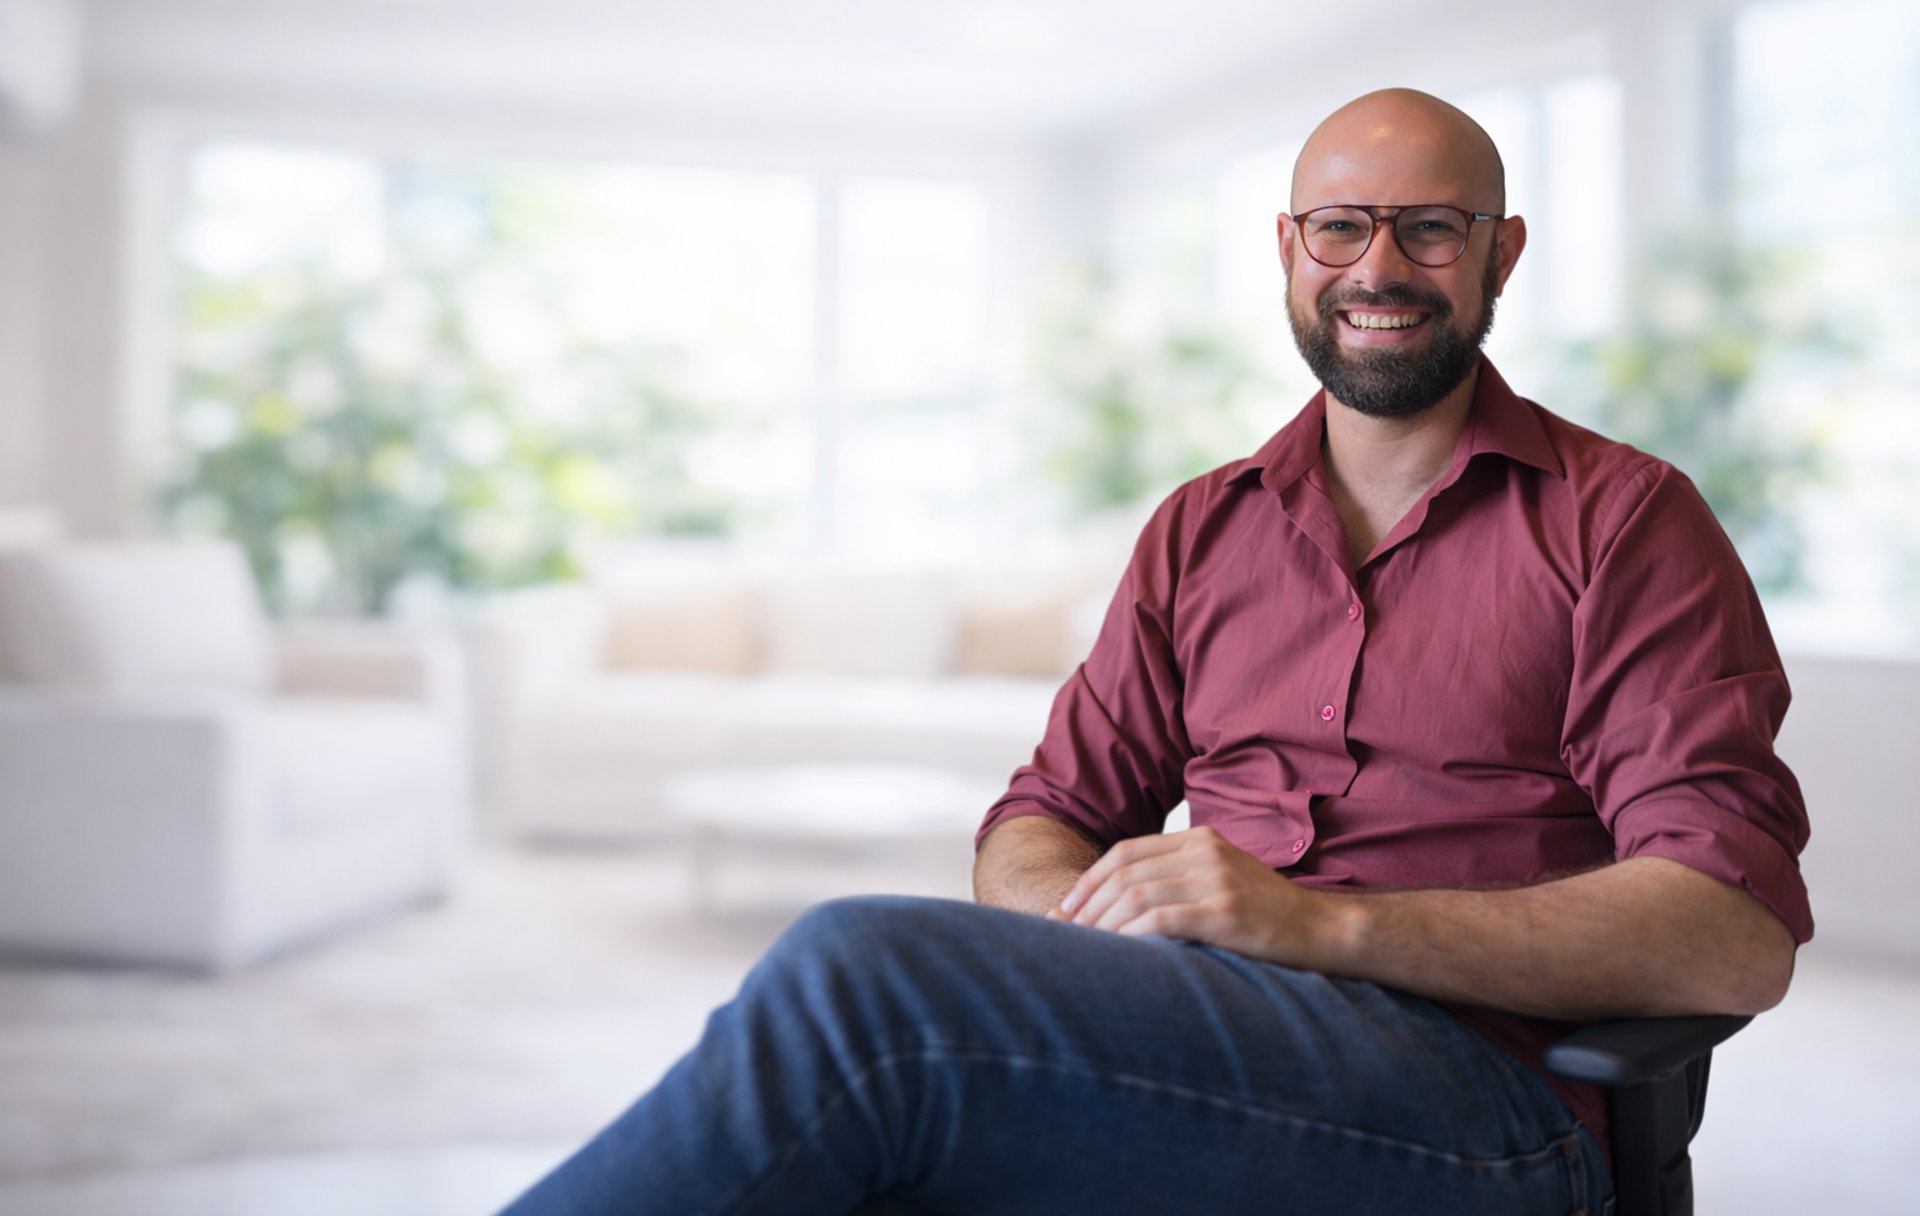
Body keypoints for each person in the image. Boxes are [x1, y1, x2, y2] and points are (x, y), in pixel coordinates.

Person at [497, 88, 1812, 1216]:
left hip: (1480, 1105)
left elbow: (1731, 934)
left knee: (864, 985)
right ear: (1290, 249)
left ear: (1501, 256)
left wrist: (1314, 924)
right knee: (861, 1140)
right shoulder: (1202, 528)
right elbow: (1037, 821)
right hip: (1194, 1039)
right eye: (1340, 227)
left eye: (1430, 228)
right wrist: (1103, 937)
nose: (1378, 268)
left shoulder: (1625, 519)